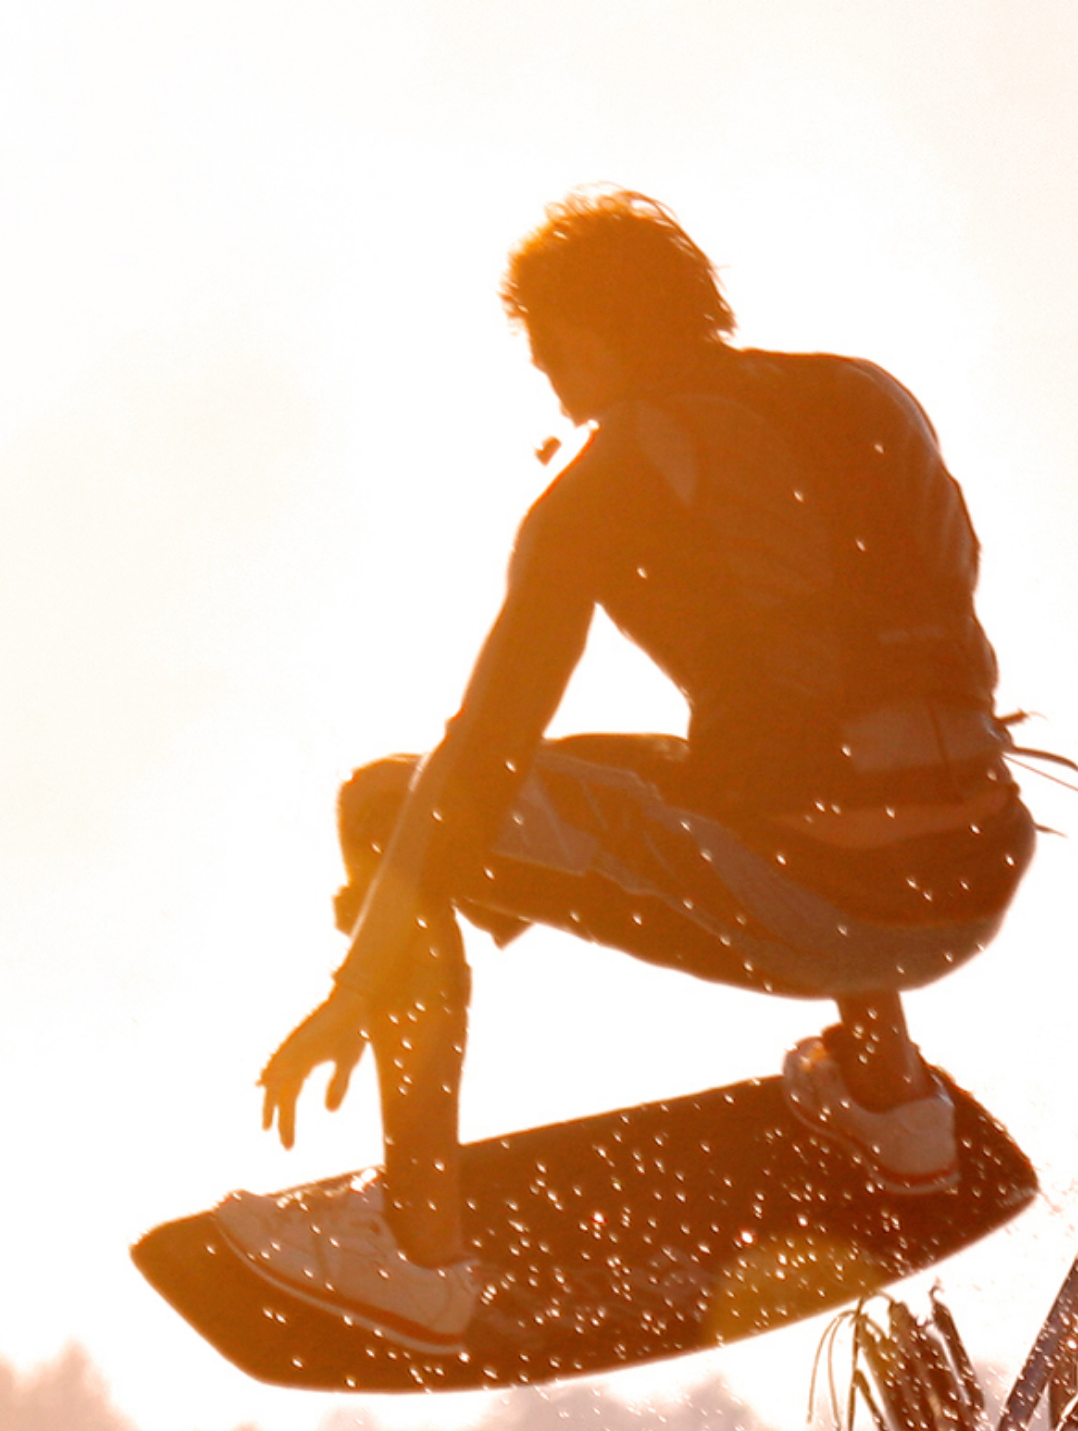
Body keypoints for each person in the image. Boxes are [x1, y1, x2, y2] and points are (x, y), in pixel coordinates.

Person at [228, 192, 1033, 1345]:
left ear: (590, 338)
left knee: (384, 801)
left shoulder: (594, 492)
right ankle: (891, 1100)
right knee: (749, 764)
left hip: (823, 907)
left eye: (549, 352)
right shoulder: (865, 399)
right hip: (972, 870)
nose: (550, 384)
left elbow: (478, 755)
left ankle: (416, 1253)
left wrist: (360, 982)